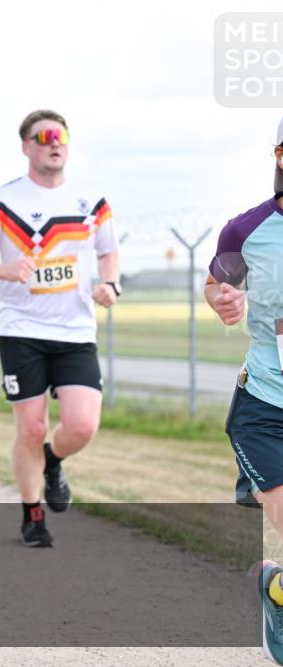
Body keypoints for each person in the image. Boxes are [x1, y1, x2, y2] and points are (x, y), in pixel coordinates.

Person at [0, 110, 121, 548]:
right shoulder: (0, 204)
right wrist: (4, 270)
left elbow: (108, 253)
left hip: (76, 331)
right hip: (22, 329)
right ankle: (32, 514)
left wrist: (110, 284)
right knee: (32, 428)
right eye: (44, 137)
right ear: (26, 146)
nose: (54, 143)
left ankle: (52, 462)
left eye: (61, 136)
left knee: (81, 426)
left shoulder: (91, 202)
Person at [205, 116, 283, 665]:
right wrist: (223, 300)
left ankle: (275, 587)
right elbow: (218, 282)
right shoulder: (247, 231)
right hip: (266, 407)